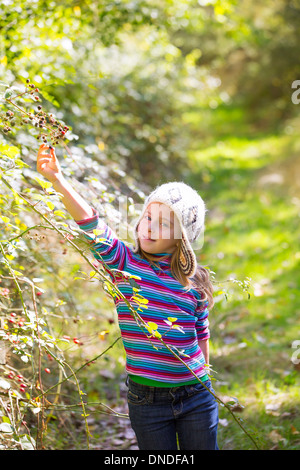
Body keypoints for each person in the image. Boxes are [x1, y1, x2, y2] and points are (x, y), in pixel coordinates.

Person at [36, 143, 219, 450]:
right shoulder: (125, 265)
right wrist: (58, 180)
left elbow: (201, 334)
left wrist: (207, 384)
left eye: (163, 224)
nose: (149, 228)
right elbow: (91, 225)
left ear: (181, 238)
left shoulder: (193, 281)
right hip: (147, 401)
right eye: (148, 217)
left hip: (197, 395)